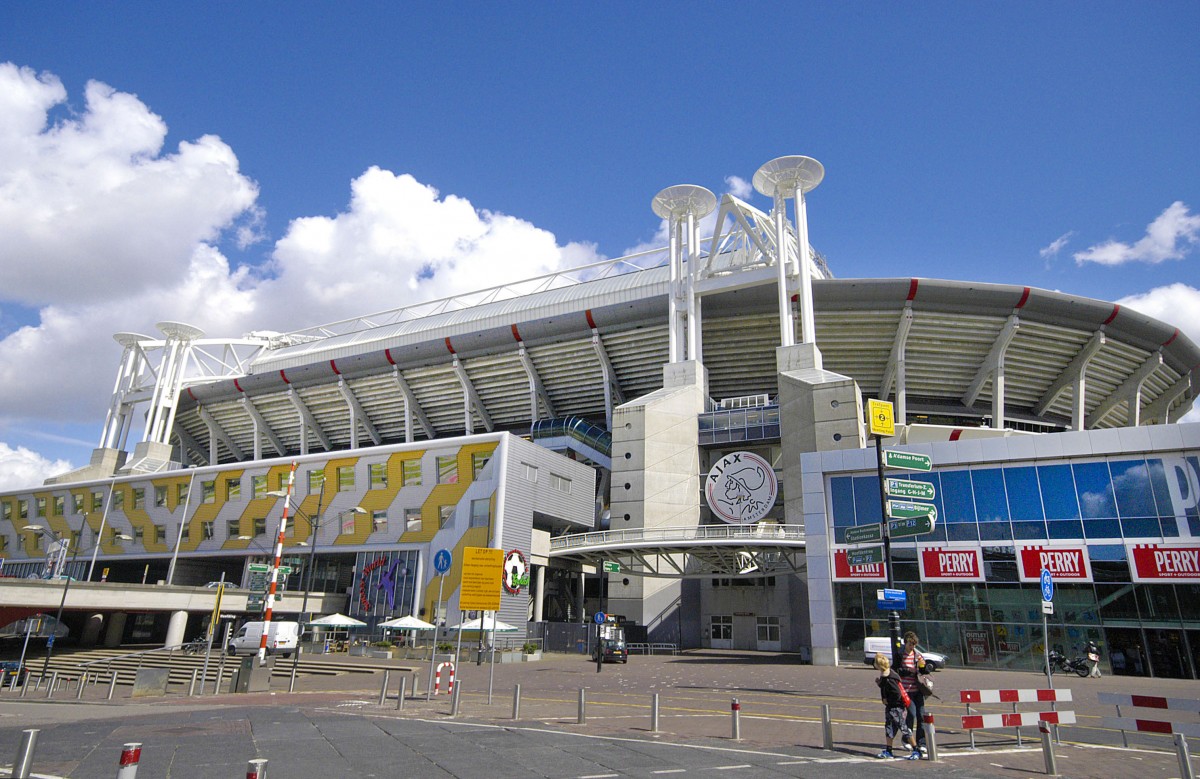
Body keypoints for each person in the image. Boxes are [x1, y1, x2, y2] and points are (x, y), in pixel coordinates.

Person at [874, 653, 920, 760]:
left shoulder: (890, 678)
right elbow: (885, 686)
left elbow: (897, 693)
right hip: (890, 707)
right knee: (889, 728)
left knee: (903, 727)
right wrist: (879, 684)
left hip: (896, 707)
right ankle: (889, 750)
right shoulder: (887, 675)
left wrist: (887, 700)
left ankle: (916, 749)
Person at [897, 630, 931, 757]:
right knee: (911, 714)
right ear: (905, 643)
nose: (912, 647)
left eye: (914, 645)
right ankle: (907, 739)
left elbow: (924, 669)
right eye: (911, 644)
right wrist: (907, 671)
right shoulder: (900, 654)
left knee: (921, 715)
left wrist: (924, 668)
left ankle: (921, 742)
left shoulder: (917, 655)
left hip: (917, 690)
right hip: (906, 690)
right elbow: (896, 670)